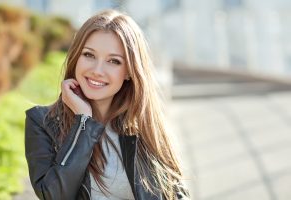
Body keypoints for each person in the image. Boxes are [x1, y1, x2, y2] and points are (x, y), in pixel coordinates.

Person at [25, 9, 189, 200]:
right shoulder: (43, 122)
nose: (97, 70)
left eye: (113, 61)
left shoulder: (144, 126)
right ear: (76, 57)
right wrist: (83, 122)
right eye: (89, 55)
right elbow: (53, 195)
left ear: (129, 71)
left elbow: (177, 194)